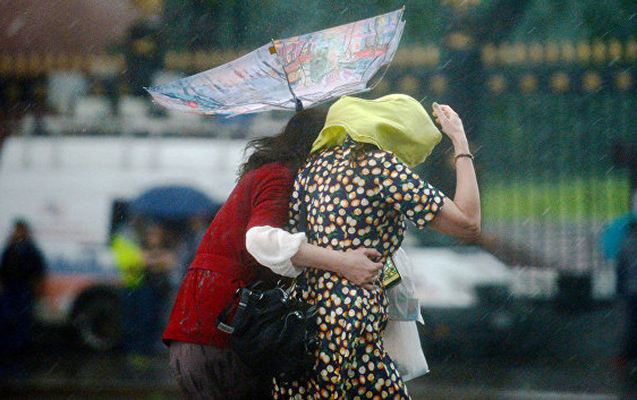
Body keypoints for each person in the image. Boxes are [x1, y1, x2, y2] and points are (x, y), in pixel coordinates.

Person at [163, 108, 384, 399]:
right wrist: (344, 263)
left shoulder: (271, 171)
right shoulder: (280, 175)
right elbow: (263, 239)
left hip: (207, 330)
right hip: (222, 333)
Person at [274, 94, 481, 398]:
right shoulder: (381, 166)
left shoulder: (312, 168)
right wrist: (460, 143)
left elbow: (296, 237)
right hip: (353, 314)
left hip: (308, 315)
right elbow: (468, 222)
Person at [123, 223, 178, 360]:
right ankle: (139, 349)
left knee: (157, 319)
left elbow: (169, 263)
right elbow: (142, 262)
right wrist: (156, 262)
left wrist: (153, 262)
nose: (154, 238)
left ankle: (149, 349)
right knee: (143, 318)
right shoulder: (142, 248)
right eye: (151, 235)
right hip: (146, 288)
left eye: (156, 235)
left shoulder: (166, 249)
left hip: (161, 290)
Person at [0, 219, 46, 355]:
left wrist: (35, 285)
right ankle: (8, 345)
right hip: (10, 287)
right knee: (6, 316)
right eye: (16, 230)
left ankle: (19, 346)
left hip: (23, 287)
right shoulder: (11, 247)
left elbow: (37, 268)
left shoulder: (29, 248)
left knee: (22, 318)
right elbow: (4, 266)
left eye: (19, 230)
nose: (17, 232)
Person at [616, 219, 637, 364]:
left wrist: (619, 288)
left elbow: (621, 270)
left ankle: (629, 353)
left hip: (631, 289)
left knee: (631, 322)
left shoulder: (625, 245)